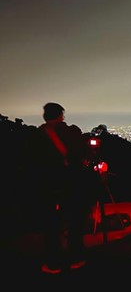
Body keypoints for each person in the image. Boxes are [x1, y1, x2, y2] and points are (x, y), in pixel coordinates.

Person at [29, 102, 91, 274]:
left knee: (51, 225)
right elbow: (84, 154)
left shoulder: (38, 135)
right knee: (74, 222)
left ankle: (52, 262)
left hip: (48, 186)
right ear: (61, 115)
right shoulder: (71, 132)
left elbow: (32, 161)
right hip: (71, 184)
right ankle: (76, 258)